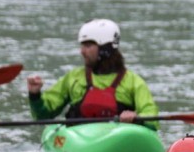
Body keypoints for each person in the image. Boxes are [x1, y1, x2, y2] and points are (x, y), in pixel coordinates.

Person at [26, 19, 159, 130]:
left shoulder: (133, 82)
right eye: (82, 46)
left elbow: (152, 118)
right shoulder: (74, 78)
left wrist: (137, 118)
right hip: (79, 140)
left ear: (105, 49)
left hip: (119, 139)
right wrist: (35, 95)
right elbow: (43, 116)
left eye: (88, 46)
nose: (82, 51)